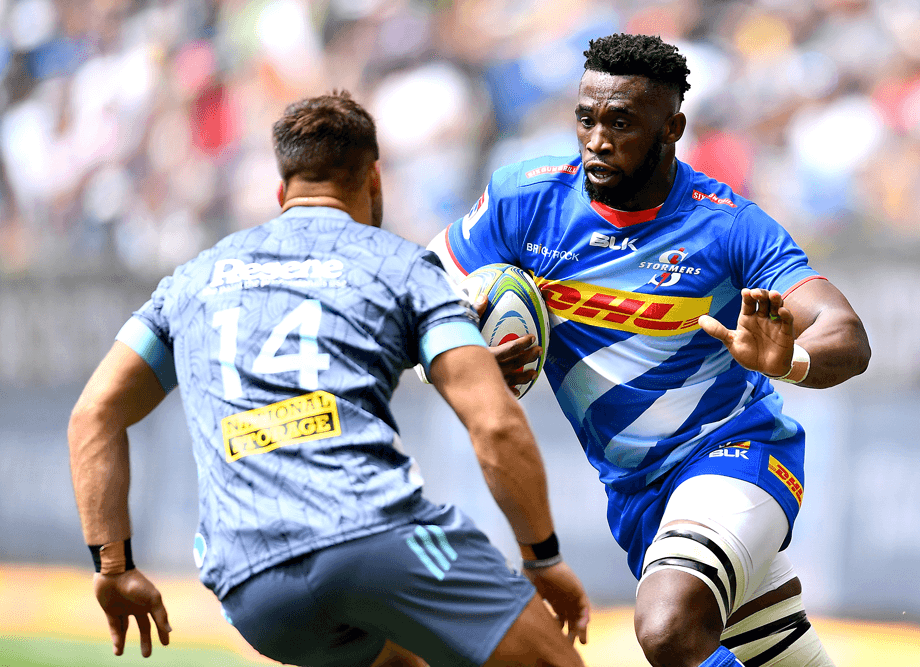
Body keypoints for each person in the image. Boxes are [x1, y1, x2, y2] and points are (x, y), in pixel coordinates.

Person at [67, 91, 591, 667]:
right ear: (374, 179)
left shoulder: (193, 279)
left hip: (251, 586)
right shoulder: (401, 267)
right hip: (376, 540)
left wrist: (113, 568)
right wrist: (542, 557)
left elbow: (95, 414)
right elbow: (495, 427)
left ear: (281, 191)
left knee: (398, 660)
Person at [427, 34, 871, 667]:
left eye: (622, 122)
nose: (598, 140)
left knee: (666, 629)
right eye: (586, 118)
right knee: (767, 656)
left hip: (735, 452)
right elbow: (420, 295)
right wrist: (448, 354)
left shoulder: (727, 226)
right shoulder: (524, 202)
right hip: (638, 494)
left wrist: (790, 361)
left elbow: (845, 332)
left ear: (673, 128)